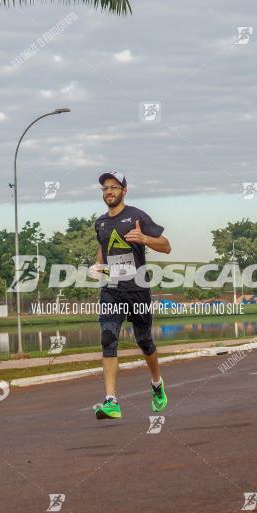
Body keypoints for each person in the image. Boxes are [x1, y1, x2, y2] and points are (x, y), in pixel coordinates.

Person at [90, 171, 171, 420]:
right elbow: (103, 251)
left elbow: (166, 246)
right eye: (105, 188)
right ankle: (111, 401)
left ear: (124, 190)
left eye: (113, 187)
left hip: (137, 290)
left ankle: (157, 383)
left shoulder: (137, 216)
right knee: (108, 338)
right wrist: (96, 266)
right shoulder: (101, 223)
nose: (109, 192)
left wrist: (144, 238)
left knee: (144, 341)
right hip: (112, 290)